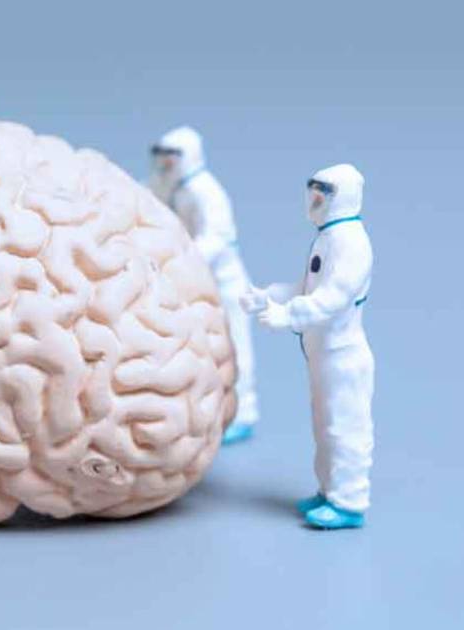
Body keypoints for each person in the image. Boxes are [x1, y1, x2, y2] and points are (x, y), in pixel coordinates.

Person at [241, 164, 374, 530]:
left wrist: (287, 314)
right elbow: (306, 288)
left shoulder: (351, 242)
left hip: (343, 355)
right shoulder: (328, 238)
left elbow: (333, 299)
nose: (315, 199)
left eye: (324, 193)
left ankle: (349, 502)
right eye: (313, 191)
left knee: (344, 430)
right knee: (324, 428)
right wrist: (267, 297)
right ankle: (328, 492)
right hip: (322, 354)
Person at [148, 126, 259, 444]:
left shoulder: (206, 191)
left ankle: (244, 412)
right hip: (189, 284)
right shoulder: (163, 184)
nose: (166, 161)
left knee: (235, 347)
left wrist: (184, 257)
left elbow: (218, 237)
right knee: (201, 351)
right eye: (161, 155)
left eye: (173, 156)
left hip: (224, 283)